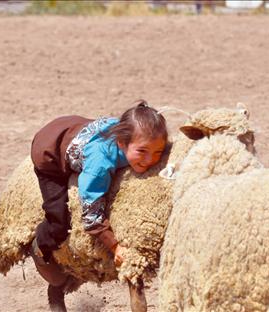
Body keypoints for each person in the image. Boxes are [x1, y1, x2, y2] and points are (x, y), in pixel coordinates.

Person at [29, 99, 168, 309]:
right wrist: (115, 245)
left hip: (75, 127)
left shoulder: (136, 140)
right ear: (122, 144)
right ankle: (39, 246)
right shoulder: (99, 165)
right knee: (59, 221)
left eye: (157, 152)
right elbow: (90, 215)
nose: (150, 160)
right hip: (50, 151)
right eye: (142, 152)